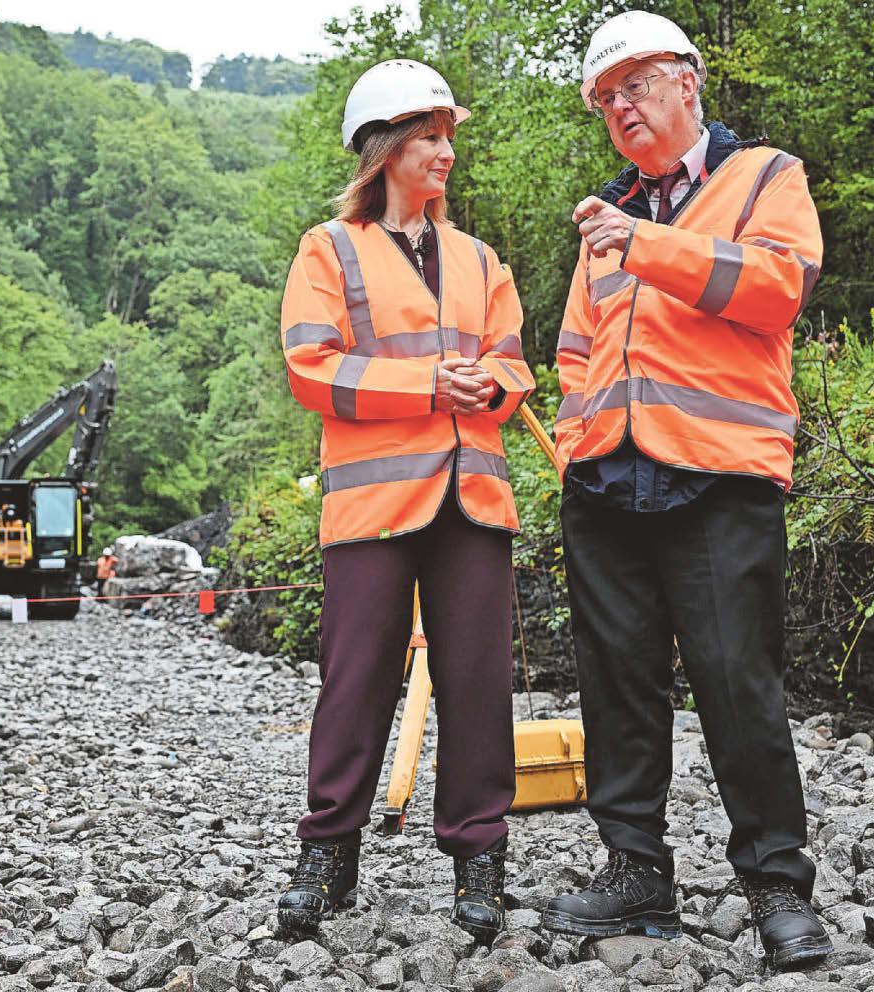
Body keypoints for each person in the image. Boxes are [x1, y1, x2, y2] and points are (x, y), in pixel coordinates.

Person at [542, 10, 831, 969]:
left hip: (718, 477)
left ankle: (777, 886)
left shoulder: (764, 176)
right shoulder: (605, 216)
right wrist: (577, 446)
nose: (619, 106)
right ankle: (635, 874)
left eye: (634, 85)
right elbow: (575, 349)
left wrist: (645, 244)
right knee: (615, 684)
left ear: (686, 81)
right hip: (606, 480)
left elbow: (776, 287)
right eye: (605, 96)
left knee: (737, 684)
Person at [275, 59, 535, 945]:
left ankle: (479, 862)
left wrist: (486, 388)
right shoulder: (328, 249)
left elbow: (512, 365)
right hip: (373, 508)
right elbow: (312, 368)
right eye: (428, 135)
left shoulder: (479, 258)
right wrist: (429, 384)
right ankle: (328, 853)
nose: (445, 151)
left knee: (477, 686)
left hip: (473, 503)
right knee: (354, 684)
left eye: (448, 135)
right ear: (384, 148)